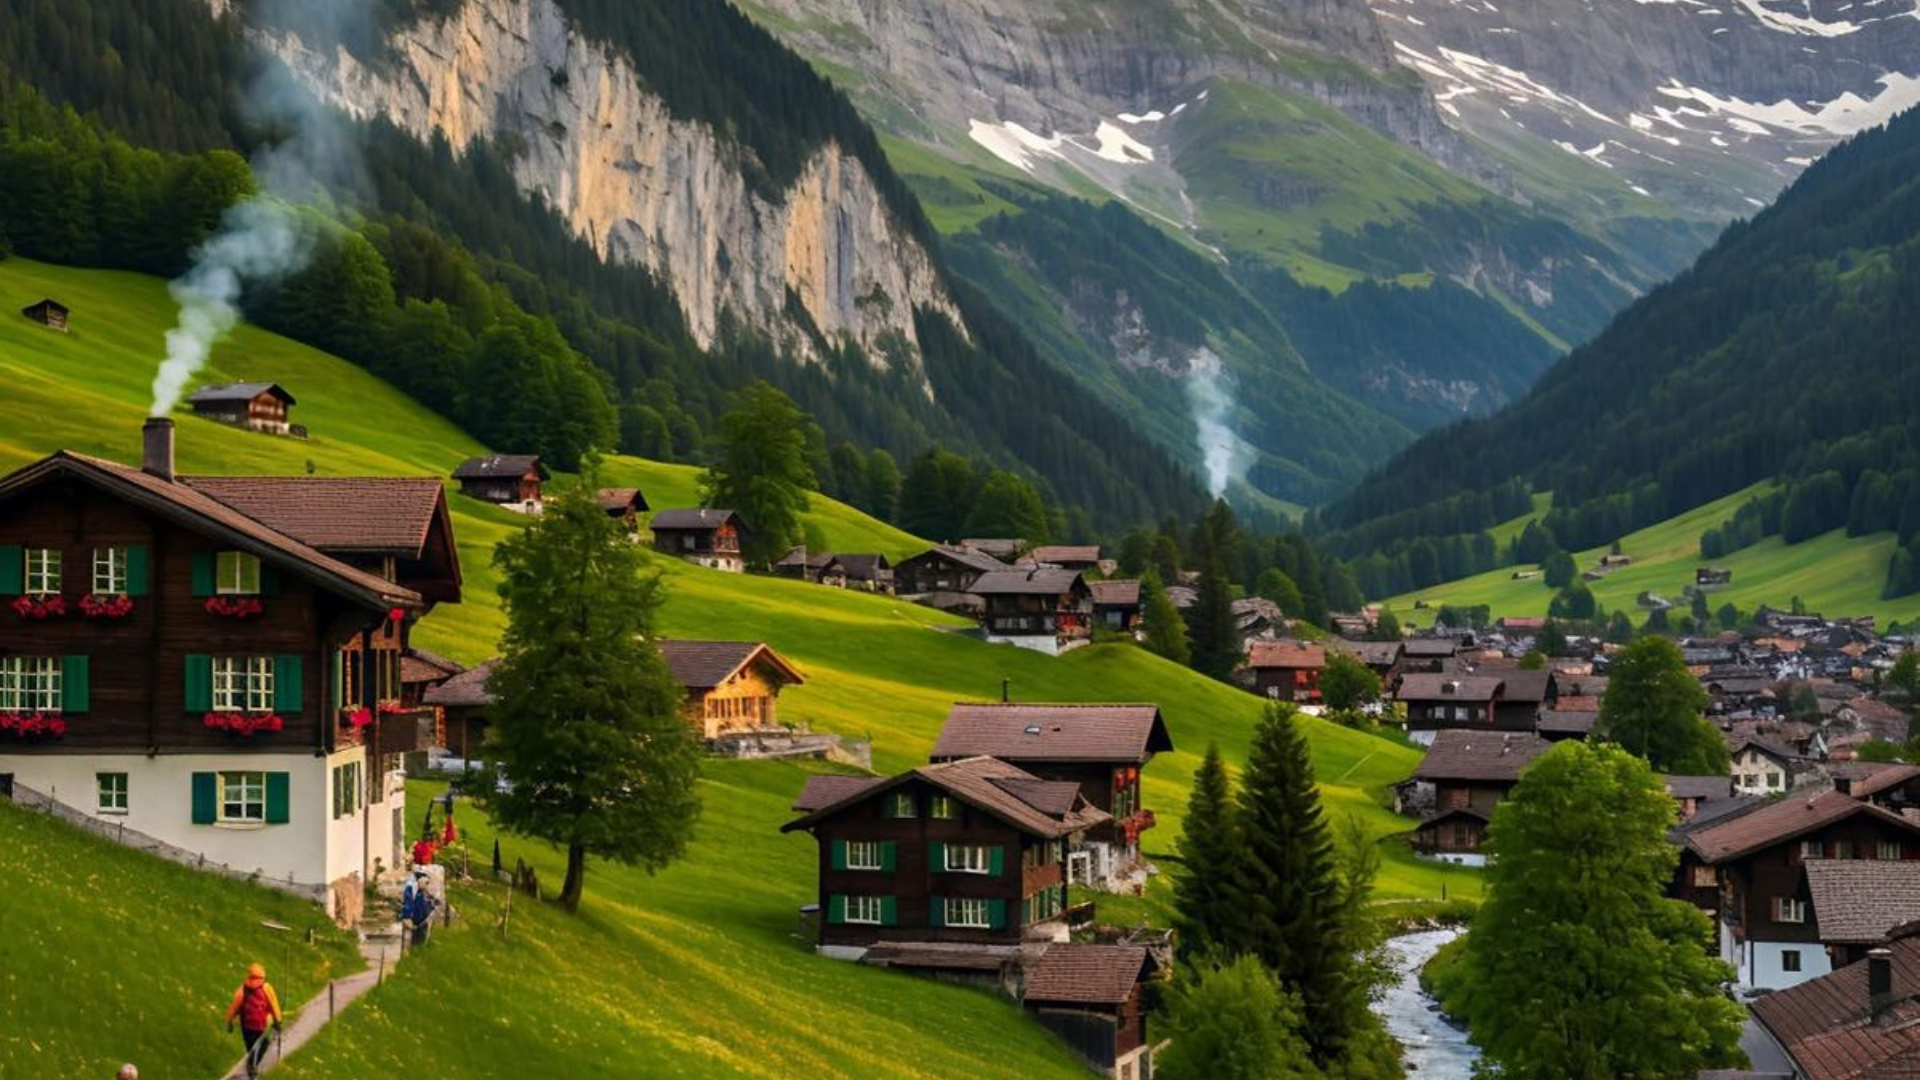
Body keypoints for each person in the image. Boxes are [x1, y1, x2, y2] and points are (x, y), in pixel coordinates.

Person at [225, 963, 283, 1079]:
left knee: (253, 1049)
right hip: (259, 1026)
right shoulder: (266, 988)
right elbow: (274, 1005)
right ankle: (251, 1068)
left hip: (246, 1028)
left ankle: (251, 1067)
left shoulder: (241, 991)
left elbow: (232, 1011)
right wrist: (278, 1022)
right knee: (263, 1045)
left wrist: (229, 1024)